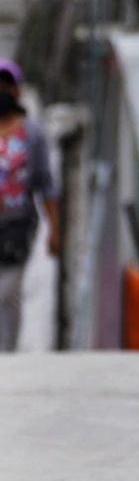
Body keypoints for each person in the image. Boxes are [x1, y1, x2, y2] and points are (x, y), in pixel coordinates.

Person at [0, 60, 59, 352]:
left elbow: (46, 186)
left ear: (17, 90)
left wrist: (54, 230)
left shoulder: (32, 134)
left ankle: (6, 353)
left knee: (7, 294)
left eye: (6, 86)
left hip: (16, 229)